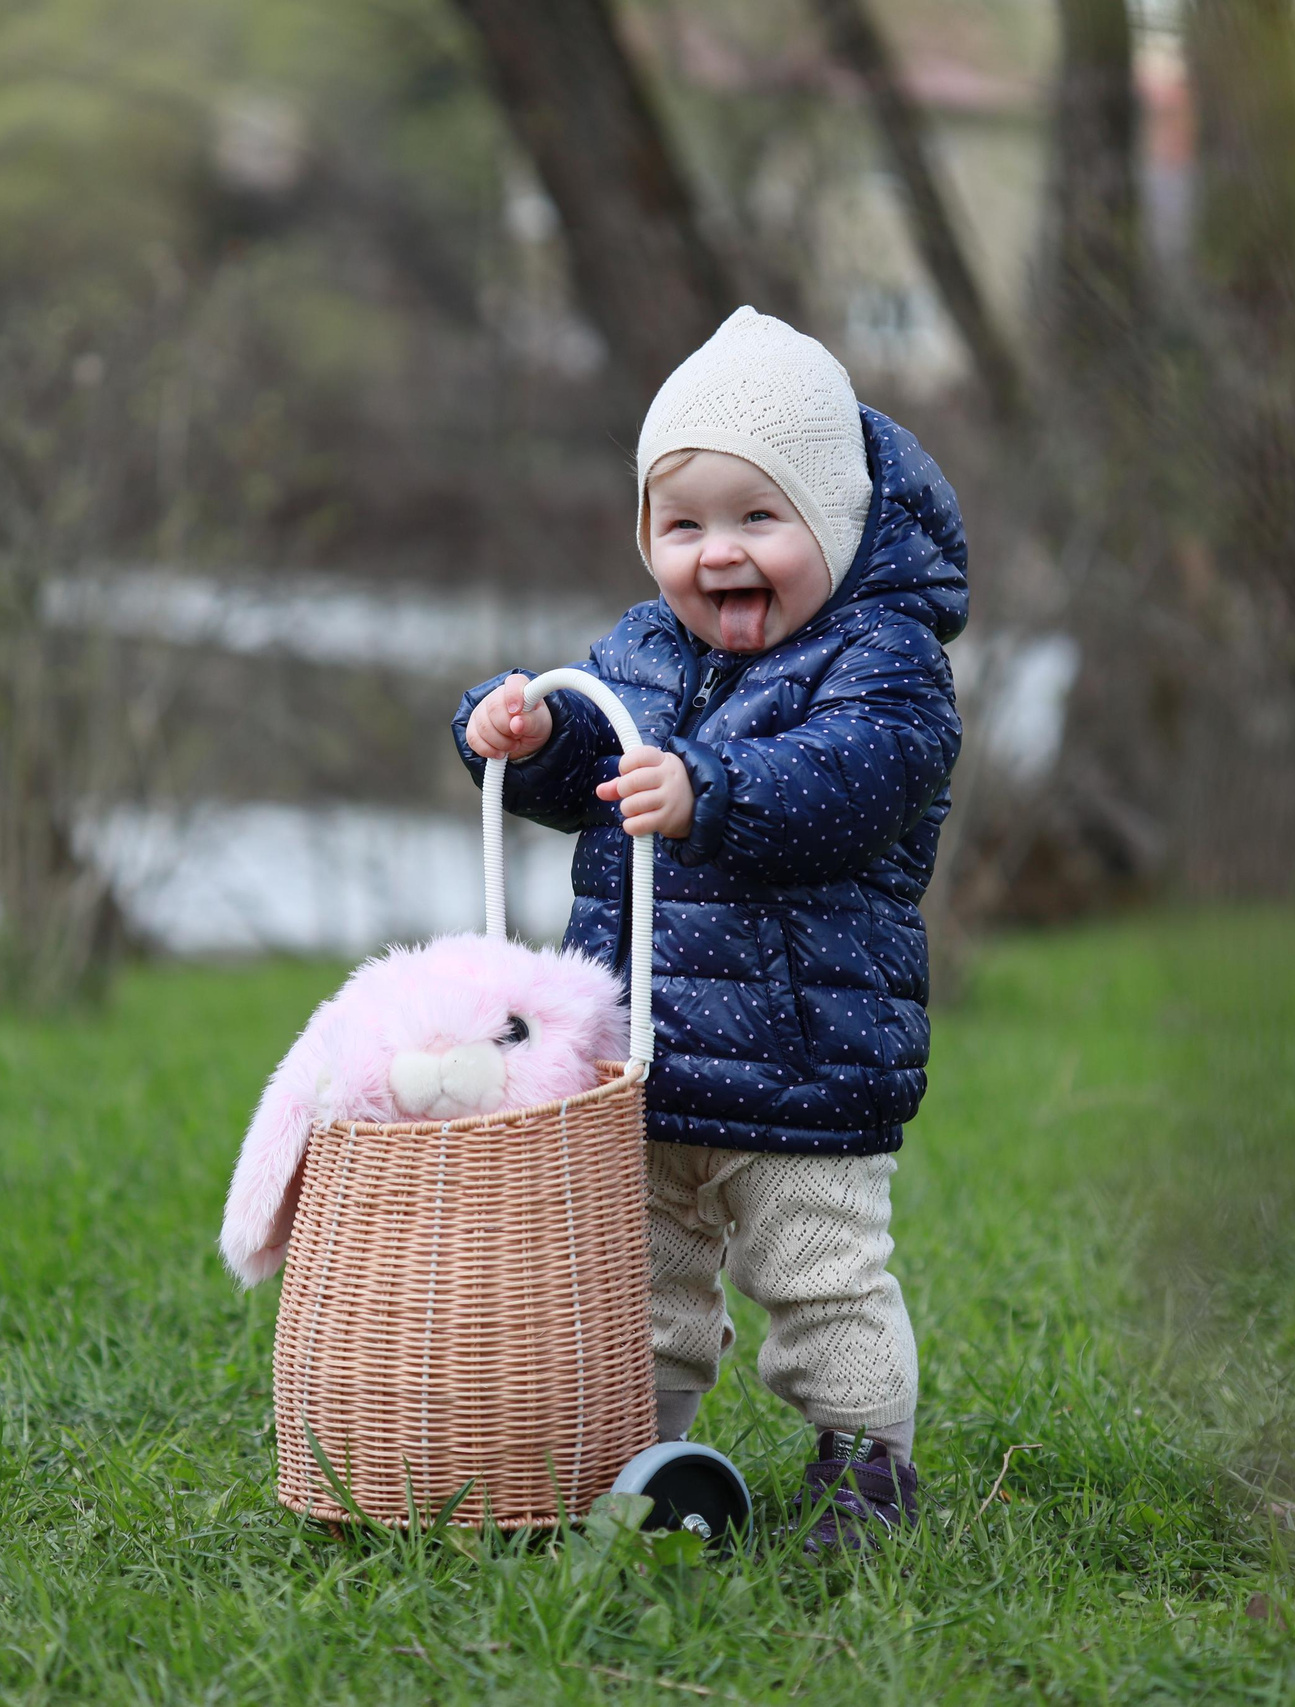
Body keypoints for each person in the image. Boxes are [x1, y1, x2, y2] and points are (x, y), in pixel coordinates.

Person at [454, 307, 964, 1550]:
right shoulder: (639, 649)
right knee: (638, 1284)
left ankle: (866, 1470)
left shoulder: (883, 662)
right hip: (641, 1055)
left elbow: (854, 782)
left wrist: (709, 791)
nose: (716, 553)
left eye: (757, 518)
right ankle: (635, 1461)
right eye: (683, 525)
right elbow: (594, 765)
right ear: (647, 538)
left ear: (833, 527)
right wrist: (525, 739)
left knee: (819, 1275)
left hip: (805, 1058)